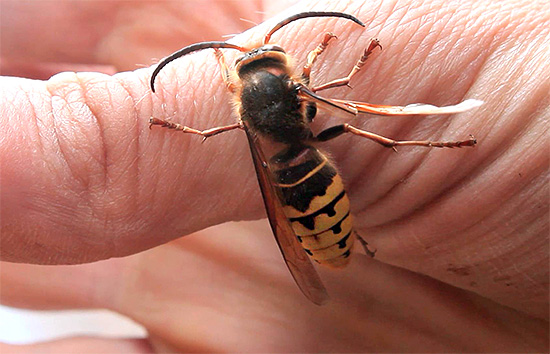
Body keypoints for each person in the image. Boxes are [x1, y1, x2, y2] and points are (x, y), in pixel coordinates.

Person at [1, 0, 548, 352]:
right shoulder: (298, 89)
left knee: (339, 141)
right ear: (291, 80)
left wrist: (187, 126)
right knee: (353, 127)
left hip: (294, 191)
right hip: (311, 183)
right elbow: (341, 100)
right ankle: (424, 146)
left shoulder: (247, 115)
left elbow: (234, 112)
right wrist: (348, 65)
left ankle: (352, 227)